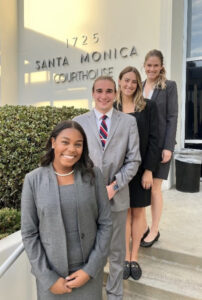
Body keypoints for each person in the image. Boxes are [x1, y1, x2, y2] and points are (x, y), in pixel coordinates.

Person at [21, 120, 112, 300]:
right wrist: (48, 278)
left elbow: (106, 224)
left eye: (78, 144)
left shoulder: (93, 175)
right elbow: (29, 233)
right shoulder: (33, 180)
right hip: (52, 279)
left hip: (88, 276)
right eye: (65, 142)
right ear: (53, 142)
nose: (72, 149)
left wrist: (90, 269)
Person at [74, 76, 141, 300]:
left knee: (116, 250)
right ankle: (92, 293)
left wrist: (114, 185)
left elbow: (134, 160)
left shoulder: (128, 122)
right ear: (93, 93)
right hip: (87, 197)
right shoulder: (78, 122)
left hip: (117, 196)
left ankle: (114, 294)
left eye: (109, 91)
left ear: (116, 94)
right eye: (100, 91)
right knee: (90, 249)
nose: (104, 96)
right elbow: (75, 159)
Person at [114, 66, 159, 280]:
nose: (129, 85)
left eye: (134, 81)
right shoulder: (112, 107)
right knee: (123, 214)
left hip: (141, 169)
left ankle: (134, 258)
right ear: (119, 81)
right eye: (126, 80)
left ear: (138, 83)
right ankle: (124, 258)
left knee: (138, 213)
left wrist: (149, 170)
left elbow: (154, 140)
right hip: (119, 171)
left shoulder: (148, 107)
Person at [140, 49, 178, 247]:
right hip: (142, 147)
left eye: (156, 65)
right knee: (141, 188)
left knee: (155, 188)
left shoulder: (169, 87)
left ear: (161, 66)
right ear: (144, 66)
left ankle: (154, 230)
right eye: (149, 65)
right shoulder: (138, 86)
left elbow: (172, 117)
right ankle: (144, 226)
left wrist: (168, 146)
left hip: (161, 146)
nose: (152, 69)